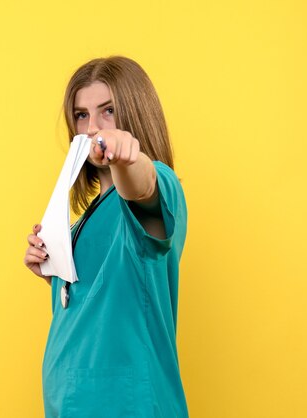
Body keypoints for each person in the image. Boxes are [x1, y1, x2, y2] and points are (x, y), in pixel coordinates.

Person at [24, 56, 189, 417]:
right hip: (69, 405)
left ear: (136, 113)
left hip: (128, 406)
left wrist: (129, 158)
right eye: (81, 115)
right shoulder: (83, 220)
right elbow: (101, 300)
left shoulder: (159, 185)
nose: (92, 127)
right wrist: (54, 270)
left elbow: (143, 188)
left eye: (108, 111)